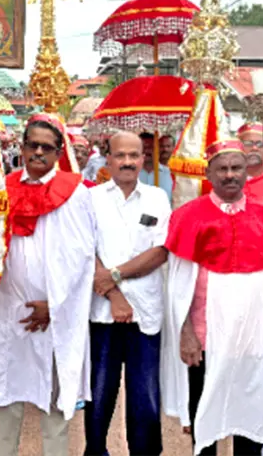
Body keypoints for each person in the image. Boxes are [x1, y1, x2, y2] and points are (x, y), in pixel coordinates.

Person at [161, 138, 263, 455]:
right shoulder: (189, 216)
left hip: (254, 337)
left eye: (236, 167)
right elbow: (178, 286)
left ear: (246, 173)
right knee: (205, 421)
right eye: (222, 168)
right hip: (205, 338)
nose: (230, 174)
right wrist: (186, 333)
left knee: (251, 423)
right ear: (209, 174)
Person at [0, 113, 96, 456]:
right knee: (5, 400)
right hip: (8, 311)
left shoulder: (75, 192)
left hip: (55, 314)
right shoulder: (1, 187)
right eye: (32, 145)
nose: (38, 152)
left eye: (46, 147)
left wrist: (56, 306)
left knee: (55, 402)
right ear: (21, 148)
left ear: (58, 152)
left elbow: (83, 258)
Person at [85, 131, 172, 456]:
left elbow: (161, 251)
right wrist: (114, 295)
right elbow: (85, 251)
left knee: (145, 401)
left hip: (145, 316)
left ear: (143, 159)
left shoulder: (157, 198)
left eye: (134, 156)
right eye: (120, 155)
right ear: (108, 158)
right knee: (98, 396)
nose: (127, 162)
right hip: (101, 313)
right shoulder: (91, 199)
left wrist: (115, 275)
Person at [139, 132, 173, 202]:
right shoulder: (130, 174)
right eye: (144, 147)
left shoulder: (170, 174)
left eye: (151, 147)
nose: (147, 150)